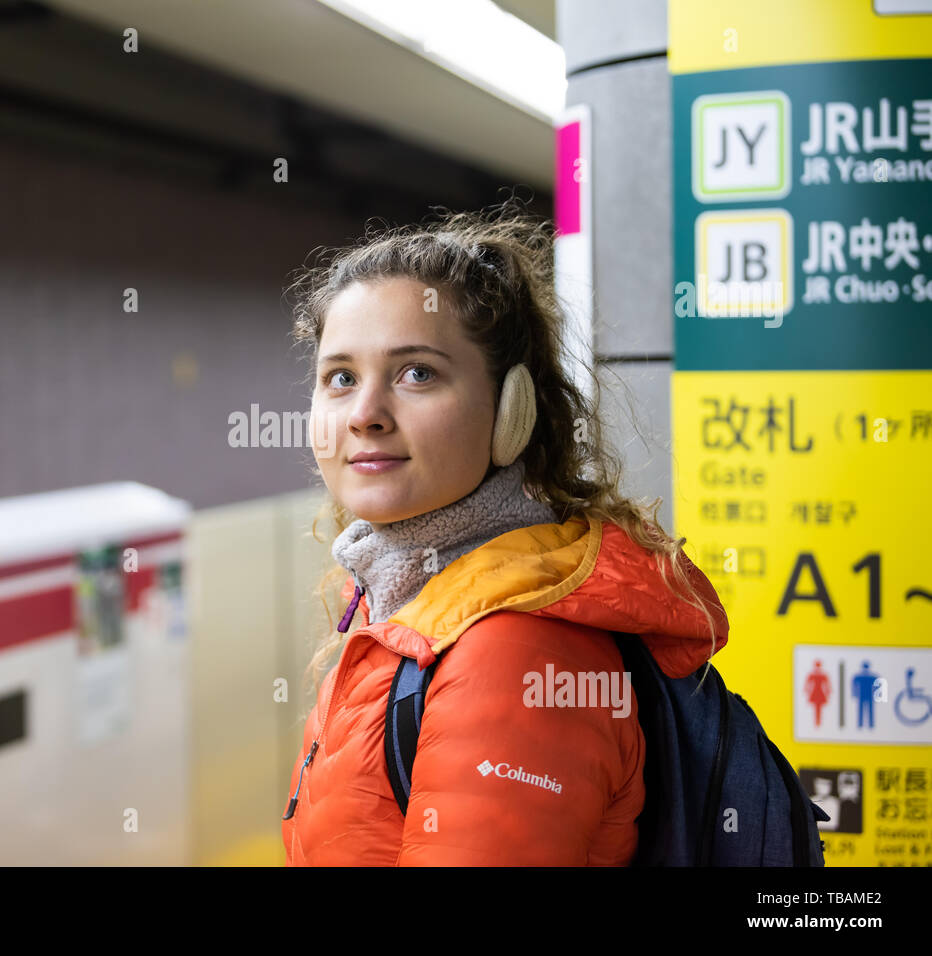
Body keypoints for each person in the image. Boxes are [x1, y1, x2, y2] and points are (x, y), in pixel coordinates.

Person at [280, 200, 729, 866]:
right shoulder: (411, 602)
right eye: (341, 377)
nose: (365, 414)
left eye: (417, 373)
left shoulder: (514, 655)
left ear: (512, 409)